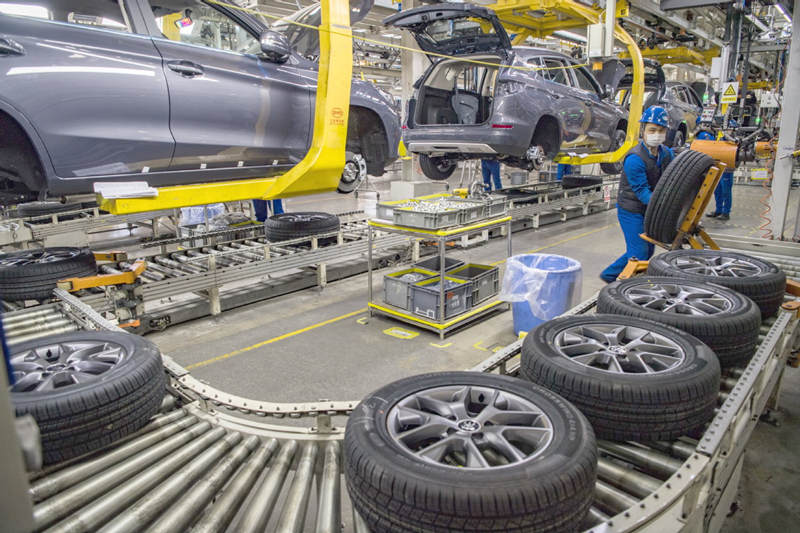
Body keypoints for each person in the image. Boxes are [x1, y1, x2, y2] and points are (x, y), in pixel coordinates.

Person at [600, 105, 674, 283]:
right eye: (652, 130)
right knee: (639, 254)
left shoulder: (666, 154)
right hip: (631, 210)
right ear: (643, 130)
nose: (657, 134)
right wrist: (665, 207)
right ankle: (622, 284)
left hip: (649, 209)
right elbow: (642, 192)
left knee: (647, 251)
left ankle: (610, 275)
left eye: (661, 130)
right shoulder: (634, 159)